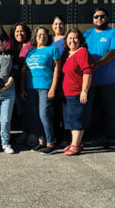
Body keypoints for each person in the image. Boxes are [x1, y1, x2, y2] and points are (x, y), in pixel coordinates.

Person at [83, 8, 115, 149]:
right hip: (90, 80)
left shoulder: (113, 33)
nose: (99, 19)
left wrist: (98, 64)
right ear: (93, 19)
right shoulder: (88, 34)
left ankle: (111, 138)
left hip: (109, 80)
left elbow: (113, 52)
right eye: (96, 16)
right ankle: (92, 135)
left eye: (102, 16)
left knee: (109, 110)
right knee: (91, 110)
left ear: (107, 18)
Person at [21, 26, 61, 154]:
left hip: (45, 87)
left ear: (48, 37)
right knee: (35, 115)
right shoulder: (30, 52)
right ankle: (41, 141)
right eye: (39, 35)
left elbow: (57, 69)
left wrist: (53, 87)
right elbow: (24, 70)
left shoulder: (52, 49)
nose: (42, 37)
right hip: (31, 87)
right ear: (35, 37)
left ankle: (50, 142)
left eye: (44, 35)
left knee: (44, 115)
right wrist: (22, 88)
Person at [61, 28, 94, 156]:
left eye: (75, 38)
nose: (72, 41)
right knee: (71, 119)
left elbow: (87, 72)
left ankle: (75, 145)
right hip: (68, 93)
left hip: (77, 92)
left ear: (80, 40)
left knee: (77, 119)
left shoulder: (82, 52)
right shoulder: (67, 54)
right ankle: (77, 143)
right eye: (70, 38)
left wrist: (84, 91)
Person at [9, 22, 31, 144]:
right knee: (20, 111)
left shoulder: (29, 46)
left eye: (22, 31)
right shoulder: (15, 47)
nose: (19, 33)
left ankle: (30, 134)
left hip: (26, 83)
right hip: (15, 83)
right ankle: (25, 132)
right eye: (17, 31)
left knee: (27, 110)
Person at [50, 15, 68, 143]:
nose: (58, 26)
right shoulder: (49, 40)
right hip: (50, 77)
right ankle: (55, 134)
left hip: (63, 77)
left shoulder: (67, 40)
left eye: (61, 24)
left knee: (62, 108)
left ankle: (63, 136)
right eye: (56, 24)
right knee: (53, 108)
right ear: (52, 26)